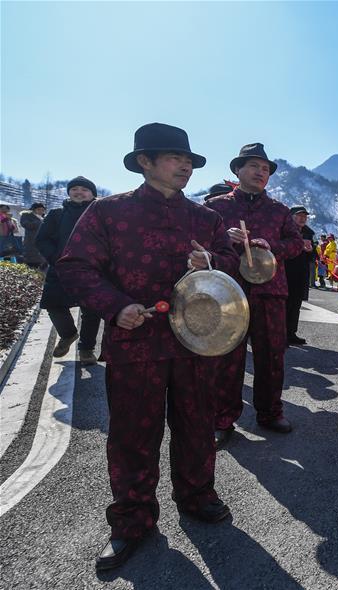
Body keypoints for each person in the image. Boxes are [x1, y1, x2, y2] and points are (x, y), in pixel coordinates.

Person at [56, 123, 239, 570]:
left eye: (190, 162)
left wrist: (211, 262)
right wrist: (115, 307)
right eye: (176, 159)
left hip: (196, 341)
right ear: (145, 162)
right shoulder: (107, 213)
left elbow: (237, 265)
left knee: (196, 424)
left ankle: (197, 495)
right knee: (132, 436)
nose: (185, 167)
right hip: (134, 342)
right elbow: (75, 266)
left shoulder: (206, 219)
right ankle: (132, 521)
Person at [206, 143, 303, 446]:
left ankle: (270, 412)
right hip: (229, 291)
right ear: (237, 170)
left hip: (269, 291)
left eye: (265, 169)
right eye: (254, 166)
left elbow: (296, 245)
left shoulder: (279, 211)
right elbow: (198, 242)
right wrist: (224, 238)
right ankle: (223, 418)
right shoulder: (216, 206)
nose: (261, 173)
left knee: (272, 355)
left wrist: (270, 244)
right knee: (227, 357)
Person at [35, 177, 103, 364]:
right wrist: (56, 258)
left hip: (92, 269)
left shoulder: (101, 215)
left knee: (91, 311)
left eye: (84, 189)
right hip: (60, 268)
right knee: (53, 304)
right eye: (75, 189)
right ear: (68, 192)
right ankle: (68, 334)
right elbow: (42, 239)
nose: (79, 192)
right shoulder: (56, 214)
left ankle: (86, 350)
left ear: (93, 194)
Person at [285, 206, 315, 346]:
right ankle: (280, 334)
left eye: (305, 216)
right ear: (291, 216)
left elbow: (314, 257)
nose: (303, 218)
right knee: (284, 303)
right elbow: (282, 249)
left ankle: (291, 333)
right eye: (299, 215)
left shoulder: (309, 233)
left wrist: (310, 251)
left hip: (301, 272)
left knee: (296, 304)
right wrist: (297, 245)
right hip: (286, 271)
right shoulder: (285, 231)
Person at [19, 202, 47, 269]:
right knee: (31, 262)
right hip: (31, 241)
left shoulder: (45, 217)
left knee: (43, 263)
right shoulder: (26, 215)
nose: (41, 211)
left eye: (42, 210)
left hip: (43, 242)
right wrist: (39, 222)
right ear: (34, 210)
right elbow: (26, 224)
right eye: (39, 209)